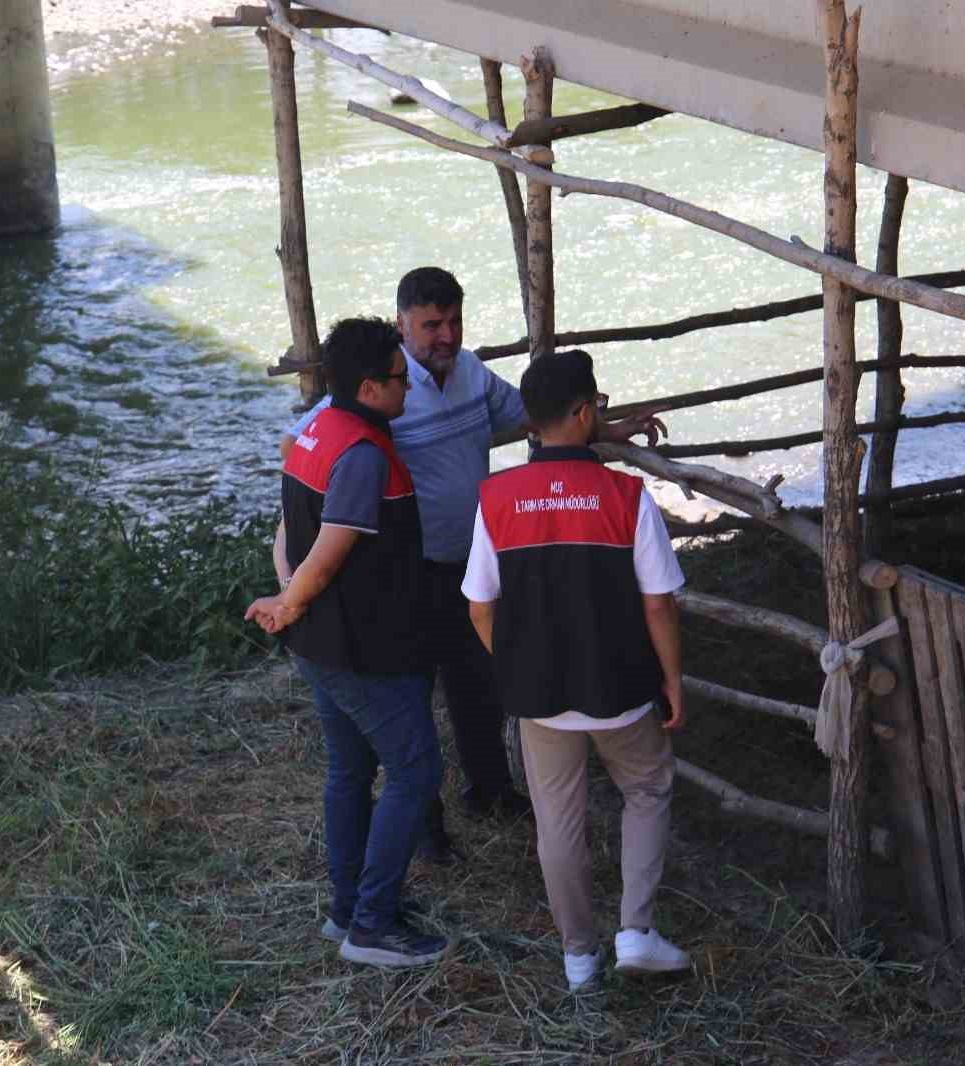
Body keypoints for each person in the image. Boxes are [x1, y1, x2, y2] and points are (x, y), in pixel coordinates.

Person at [279, 267, 666, 859]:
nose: (446, 335)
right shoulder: (380, 390)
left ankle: (488, 789)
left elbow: (539, 419)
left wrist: (609, 427)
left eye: (454, 320)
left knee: (480, 682)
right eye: (431, 324)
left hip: (473, 566)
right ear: (403, 322)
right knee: (413, 695)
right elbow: (302, 442)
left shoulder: (472, 373)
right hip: (409, 571)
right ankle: (428, 828)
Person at [461, 349, 692, 992]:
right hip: (619, 686)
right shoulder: (625, 496)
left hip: (539, 695)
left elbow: (480, 604)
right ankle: (637, 930)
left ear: (530, 423)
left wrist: (511, 662)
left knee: (557, 821)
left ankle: (579, 957)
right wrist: (671, 680)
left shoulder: (496, 498)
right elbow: (657, 604)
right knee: (646, 789)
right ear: (586, 412)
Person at [246, 316, 447, 968]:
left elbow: (288, 531)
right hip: (363, 647)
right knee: (416, 770)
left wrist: (287, 596)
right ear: (368, 389)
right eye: (398, 379)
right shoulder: (361, 454)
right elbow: (329, 552)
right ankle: (373, 925)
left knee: (352, 770)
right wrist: (293, 600)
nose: (408, 389)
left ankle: (346, 911)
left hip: (321, 641)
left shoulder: (313, 429)